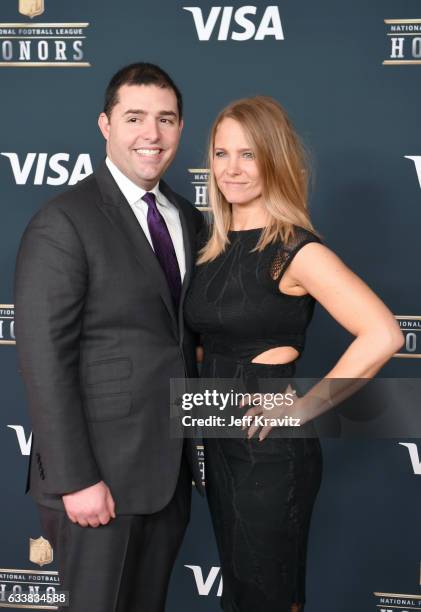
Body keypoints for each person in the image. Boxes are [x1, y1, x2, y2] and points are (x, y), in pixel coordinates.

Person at [184, 96, 404, 612]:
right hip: (212, 434)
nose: (232, 169)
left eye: (249, 154)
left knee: (266, 594)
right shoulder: (209, 246)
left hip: (268, 450)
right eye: (221, 153)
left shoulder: (296, 251)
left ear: (276, 159)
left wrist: (304, 406)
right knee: (240, 595)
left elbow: (383, 334)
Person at [14, 62, 204, 612]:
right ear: (105, 124)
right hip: (97, 484)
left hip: (166, 474)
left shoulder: (188, 219)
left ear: (180, 129)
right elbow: (45, 359)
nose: (152, 134)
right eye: (135, 118)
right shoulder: (65, 221)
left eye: (166, 120)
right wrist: (77, 479)